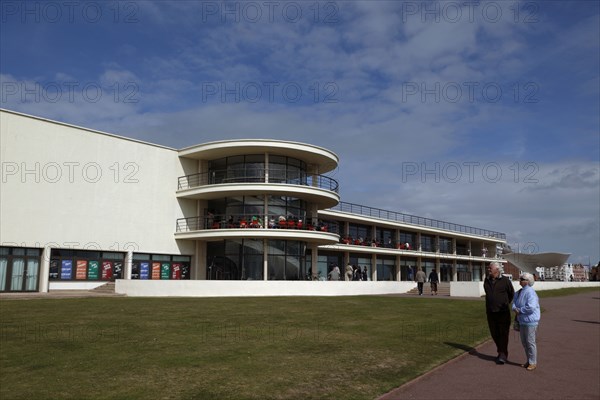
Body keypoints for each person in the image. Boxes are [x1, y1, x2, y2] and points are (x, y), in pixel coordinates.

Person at [484, 262, 515, 364]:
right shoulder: (486, 280)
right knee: (494, 333)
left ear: (497, 270)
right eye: (488, 268)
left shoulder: (505, 281)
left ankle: (502, 354)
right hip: (491, 312)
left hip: (503, 312)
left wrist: (505, 304)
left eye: (490, 268)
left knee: (503, 334)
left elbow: (511, 294)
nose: (488, 270)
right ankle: (501, 352)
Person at [512, 272, 540, 371]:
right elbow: (514, 302)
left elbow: (531, 307)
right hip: (522, 320)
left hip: (530, 321)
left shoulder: (530, 292)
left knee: (530, 342)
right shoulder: (519, 292)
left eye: (522, 279)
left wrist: (520, 310)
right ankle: (529, 361)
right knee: (524, 342)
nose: (520, 281)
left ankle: (533, 362)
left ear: (527, 281)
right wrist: (515, 308)